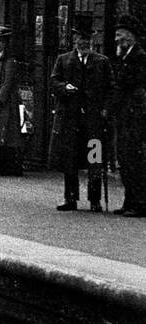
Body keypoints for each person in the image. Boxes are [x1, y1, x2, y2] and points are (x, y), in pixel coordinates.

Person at [50, 24, 112, 212]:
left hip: (94, 120)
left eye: (86, 40)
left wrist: (105, 110)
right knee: (70, 159)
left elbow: (111, 88)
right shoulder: (63, 60)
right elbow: (54, 81)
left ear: (91, 42)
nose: (83, 43)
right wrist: (64, 88)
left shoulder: (102, 62)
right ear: (74, 41)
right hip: (71, 118)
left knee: (95, 158)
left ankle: (95, 200)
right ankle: (70, 199)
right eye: (79, 40)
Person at [110, 14, 146, 217]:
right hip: (125, 116)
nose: (116, 39)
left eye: (119, 35)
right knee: (125, 159)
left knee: (134, 159)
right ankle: (130, 200)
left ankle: (139, 203)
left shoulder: (139, 57)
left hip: (134, 117)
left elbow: (129, 87)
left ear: (129, 36)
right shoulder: (124, 56)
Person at [0, 25, 23, 175]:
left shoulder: (9, 60)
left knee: (6, 132)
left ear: (6, 42)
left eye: (0, 41)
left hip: (5, 101)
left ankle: (8, 166)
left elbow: (8, 82)